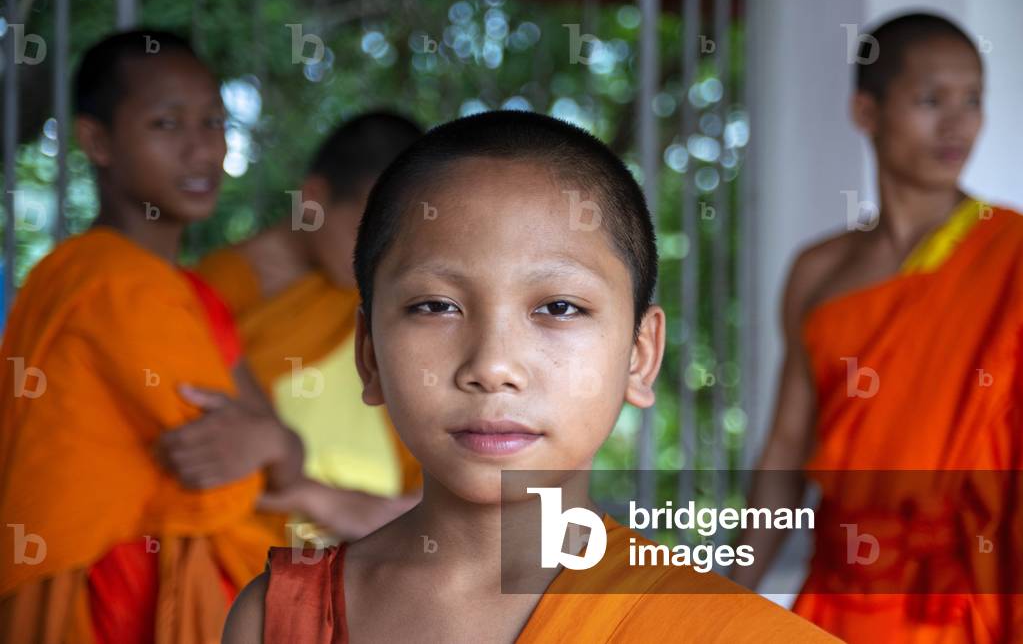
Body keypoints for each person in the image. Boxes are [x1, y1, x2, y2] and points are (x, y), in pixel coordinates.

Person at [222, 111, 839, 642]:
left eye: (559, 307)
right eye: (435, 306)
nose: (492, 366)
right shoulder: (279, 620)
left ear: (639, 354)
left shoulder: (724, 631)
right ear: (370, 353)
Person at [0, 30, 302, 643]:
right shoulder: (104, 282)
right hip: (113, 603)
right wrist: (268, 448)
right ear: (97, 140)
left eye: (214, 122)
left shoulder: (193, 296)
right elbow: (227, 472)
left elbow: (279, 454)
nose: (201, 149)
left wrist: (270, 443)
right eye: (167, 125)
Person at [731, 13, 1023, 642]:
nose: (958, 123)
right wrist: (727, 599)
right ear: (866, 111)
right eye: (930, 100)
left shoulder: (1012, 255)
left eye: (972, 99)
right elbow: (786, 447)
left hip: (973, 598)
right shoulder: (819, 272)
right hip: (843, 596)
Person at [195, 112, 424, 542]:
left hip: (378, 570)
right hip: (247, 561)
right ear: (314, 199)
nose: (389, 254)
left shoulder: (381, 303)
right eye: (374, 229)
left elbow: (454, 487)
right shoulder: (215, 292)